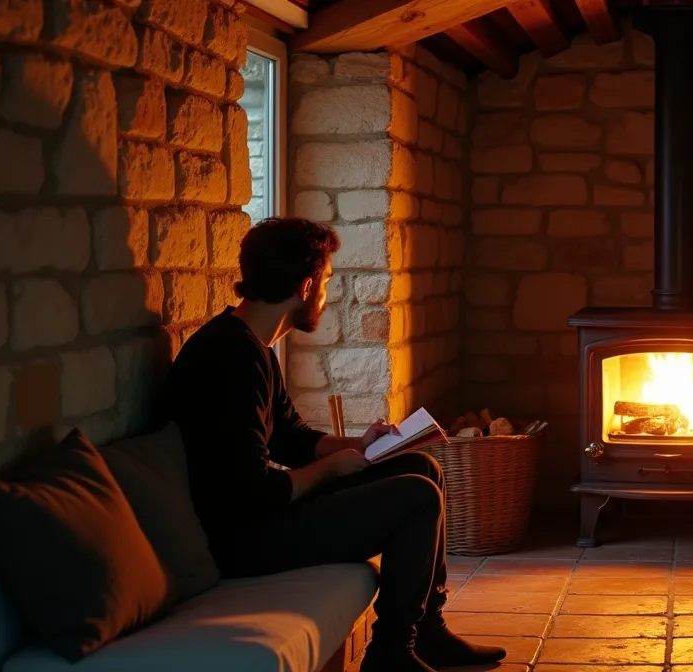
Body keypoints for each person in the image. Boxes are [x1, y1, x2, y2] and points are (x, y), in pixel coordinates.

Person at [164, 217, 504, 672]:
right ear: (305, 287)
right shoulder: (231, 358)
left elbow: (289, 436)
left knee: (422, 468)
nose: (327, 293)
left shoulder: (253, 346)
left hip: (260, 517)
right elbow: (252, 492)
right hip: (242, 540)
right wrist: (330, 470)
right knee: (417, 497)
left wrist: (361, 446)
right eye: (326, 281)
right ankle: (390, 655)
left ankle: (428, 632)